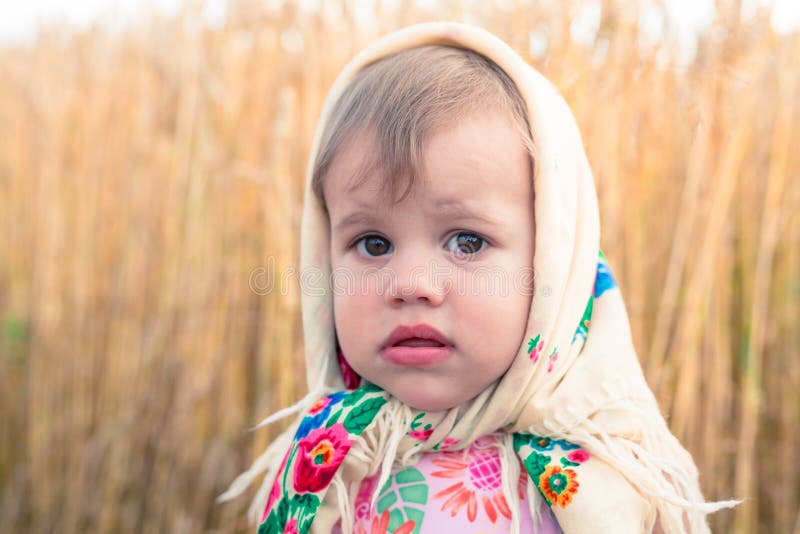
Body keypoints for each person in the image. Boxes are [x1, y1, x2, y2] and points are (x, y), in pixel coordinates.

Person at [218, 22, 738, 533]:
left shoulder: (609, 483)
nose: (412, 283)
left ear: (551, 265)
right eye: (373, 244)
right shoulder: (326, 463)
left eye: (466, 242)